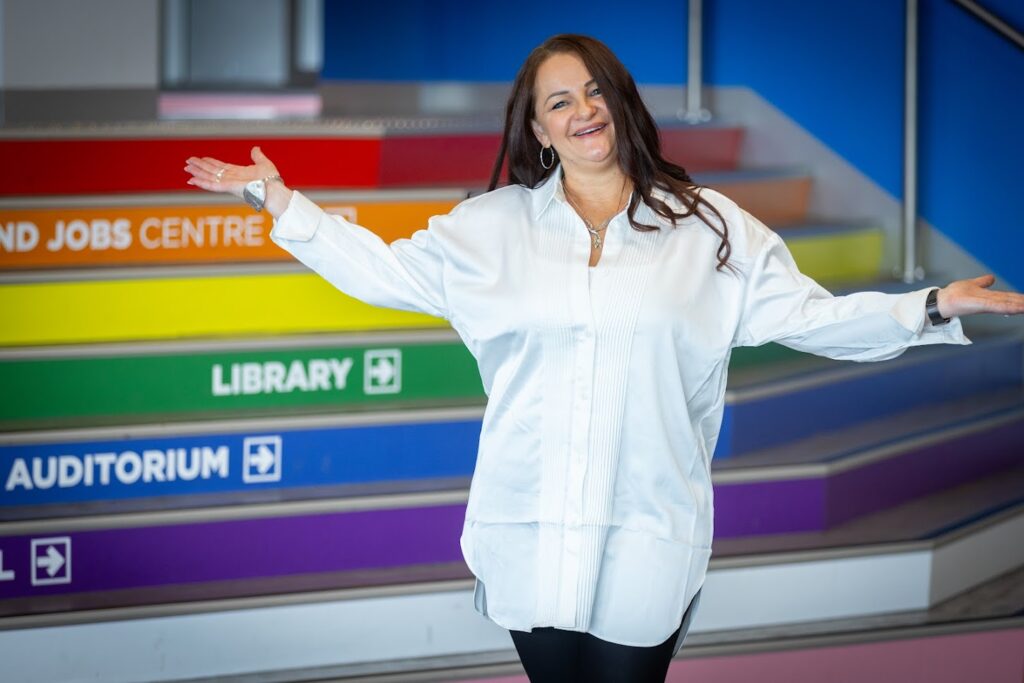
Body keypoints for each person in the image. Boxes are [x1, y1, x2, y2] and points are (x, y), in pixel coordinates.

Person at [185, 33, 1024, 683]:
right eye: (559, 101)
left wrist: (930, 307)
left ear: (619, 103)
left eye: (593, 91)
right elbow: (381, 270)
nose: (581, 109)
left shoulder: (709, 227)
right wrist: (280, 200)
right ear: (539, 129)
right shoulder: (490, 227)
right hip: (528, 527)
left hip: (650, 529)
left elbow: (810, 315)